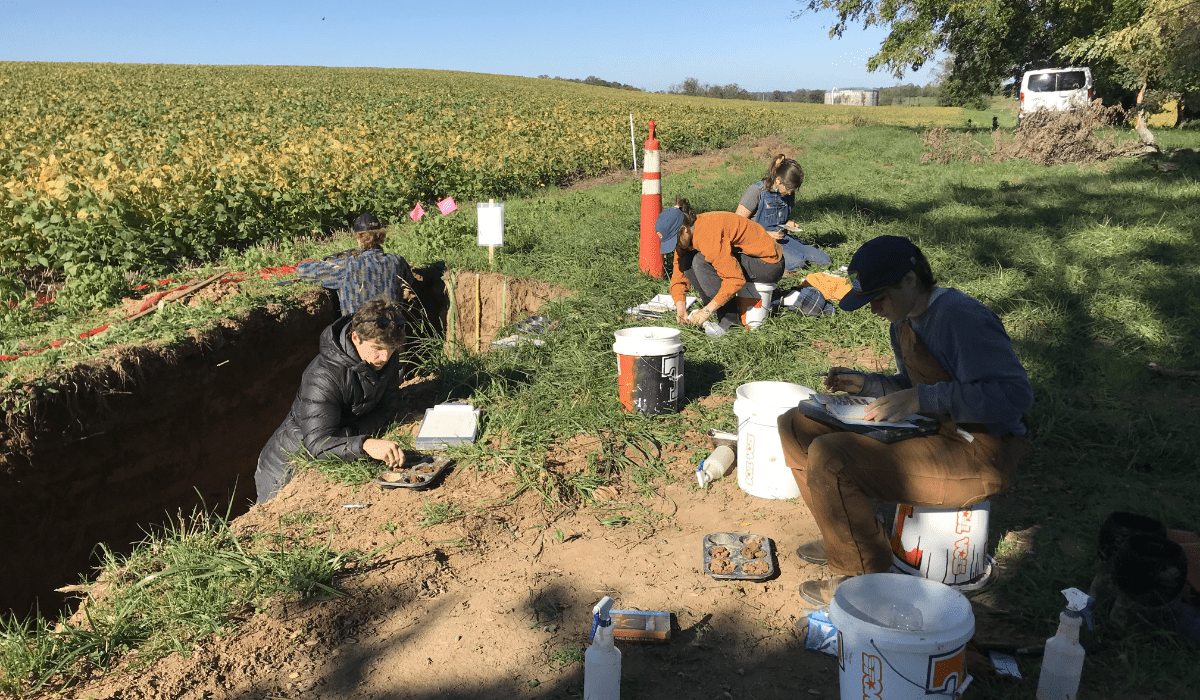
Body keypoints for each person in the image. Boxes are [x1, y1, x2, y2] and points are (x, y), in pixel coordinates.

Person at [778, 235, 1032, 606]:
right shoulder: (903, 321)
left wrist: (919, 399)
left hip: (982, 450)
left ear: (910, 281)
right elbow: (915, 387)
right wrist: (869, 384)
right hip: (934, 429)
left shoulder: (959, 317)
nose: (873, 310)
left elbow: (1013, 396)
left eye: (878, 298)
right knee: (796, 425)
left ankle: (863, 583)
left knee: (833, 458)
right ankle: (846, 536)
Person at [254, 297, 409, 502]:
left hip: (331, 440)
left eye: (390, 349)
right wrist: (365, 444)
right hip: (285, 467)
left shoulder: (385, 358)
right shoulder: (322, 377)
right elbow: (317, 443)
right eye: (377, 348)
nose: (385, 357)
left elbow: (389, 407)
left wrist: (350, 434)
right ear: (355, 337)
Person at [655, 198, 784, 330]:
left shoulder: (707, 235)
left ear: (684, 230)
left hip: (769, 265)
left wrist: (706, 311)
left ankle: (731, 322)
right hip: (749, 257)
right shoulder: (687, 235)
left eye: (675, 241)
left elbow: (735, 279)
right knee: (687, 261)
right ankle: (718, 312)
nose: (676, 246)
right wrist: (681, 308)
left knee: (700, 261)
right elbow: (679, 275)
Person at [296, 212, 418, 316]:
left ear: (358, 238)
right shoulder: (397, 261)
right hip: (393, 330)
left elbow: (303, 270)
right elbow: (410, 282)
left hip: (362, 332)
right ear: (381, 236)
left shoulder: (348, 265)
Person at [734, 155, 829, 273]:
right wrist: (766, 234)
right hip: (759, 241)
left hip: (782, 238)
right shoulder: (756, 191)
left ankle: (783, 262)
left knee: (824, 260)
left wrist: (789, 223)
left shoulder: (788, 193)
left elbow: (779, 218)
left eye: (793, 189)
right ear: (778, 180)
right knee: (797, 263)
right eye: (789, 188)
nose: (790, 193)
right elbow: (736, 225)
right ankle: (760, 265)